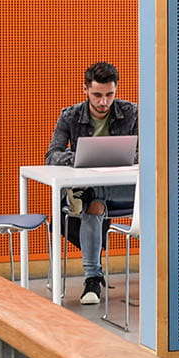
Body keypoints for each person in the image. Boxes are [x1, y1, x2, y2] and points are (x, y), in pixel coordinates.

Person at [45, 61, 139, 305]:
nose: (103, 102)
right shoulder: (70, 115)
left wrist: (127, 158)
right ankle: (93, 278)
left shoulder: (131, 112)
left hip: (123, 189)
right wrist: (79, 158)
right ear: (85, 90)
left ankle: (94, 280)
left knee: (89, 195)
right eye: (97, 95)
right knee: (94, 203)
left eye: (110, 95)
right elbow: (52, 154)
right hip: (97, 195)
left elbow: (148, 151)